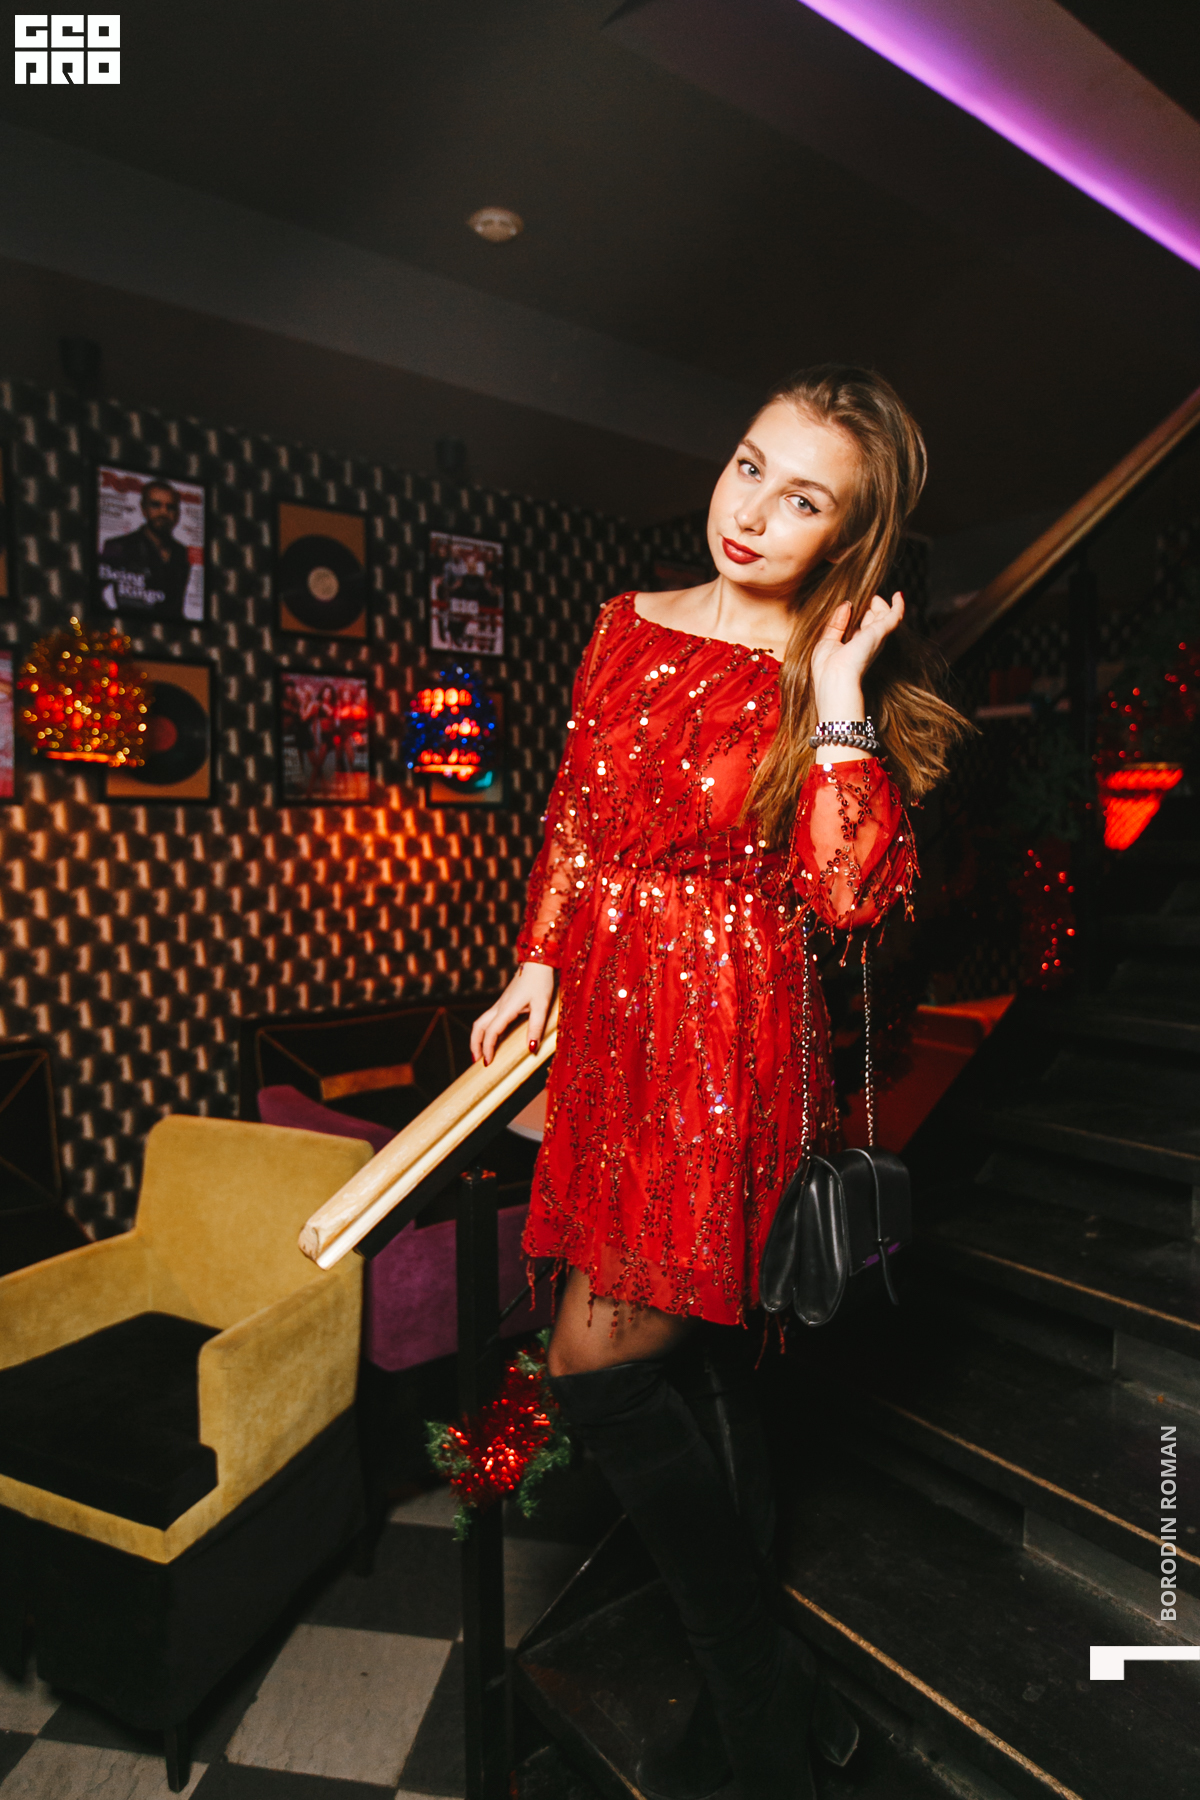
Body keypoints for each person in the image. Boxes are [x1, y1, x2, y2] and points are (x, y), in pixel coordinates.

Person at [471, 365, 967, 1800]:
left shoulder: (825, 671)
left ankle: (752, 1688)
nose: (751, 511)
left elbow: (850, 896)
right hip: (610, 1023)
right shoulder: (625, 624)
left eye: (803, 499)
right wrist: (537, 962)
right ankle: (776, 1694)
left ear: (848, 539)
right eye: (750, 464)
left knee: (594, 1365)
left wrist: (839, 693)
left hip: (725, 1042)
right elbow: (578, 813)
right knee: (681, 1354)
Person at [98, 480, 193, 618]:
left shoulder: (181, 552)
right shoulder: (118, 546)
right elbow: (94, 590)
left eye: (171, 507)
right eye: (156, 505)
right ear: (144, 509)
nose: (164, 512)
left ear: (178, 514)